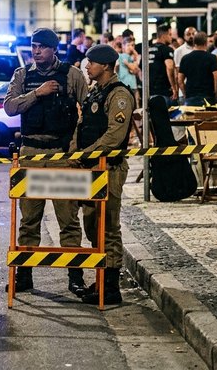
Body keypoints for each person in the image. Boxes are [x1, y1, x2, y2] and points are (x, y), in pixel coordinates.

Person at [4, 27, 89, 293]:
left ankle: (75, 277)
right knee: (29, 219)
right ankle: (24, 276)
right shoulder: (22, 75)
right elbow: (9, 107)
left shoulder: (72, 75)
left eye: (41, 46)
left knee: (69, 220)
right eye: (33, 46)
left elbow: (86, 114)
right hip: (31, 154)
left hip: (61, 155)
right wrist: (36, 93)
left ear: (54, 49)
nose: (36, 50)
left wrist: (76, 151)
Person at [69, 44, 135, 305]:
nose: (87, 66)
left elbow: (114, 137)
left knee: (107, 227)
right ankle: (100, 280)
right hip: (91, 169)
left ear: (106, 66)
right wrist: (76, 154)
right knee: (92, 224)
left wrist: (87, 153)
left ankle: (110, 286)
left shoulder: (119, 95)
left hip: (109, 169)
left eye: (92, 62)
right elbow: (83, 125)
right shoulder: (97, 92)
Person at [177, 31, 217, 106]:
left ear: (194, 43)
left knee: (192, 117)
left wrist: (185, 94)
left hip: (191, 97)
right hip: (208, 97)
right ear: (205, 43)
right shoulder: (212, 58)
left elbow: (180, 80)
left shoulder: (185, 58)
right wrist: (216, 95)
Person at [149, 24, 178, 107]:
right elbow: (169, 67)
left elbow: (140, 71)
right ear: (164, 35)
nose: (171, 38)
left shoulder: (147, 49)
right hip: (163, 92)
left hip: (149, 93)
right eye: (170, 35)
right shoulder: (166, 49)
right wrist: (174, 87)